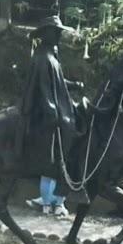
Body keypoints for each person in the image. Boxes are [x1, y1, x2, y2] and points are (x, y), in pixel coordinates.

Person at [15, 14, 88, 204]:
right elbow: (43, 87)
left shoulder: (52, 57)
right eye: (55, 32)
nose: (58, 35)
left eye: (58, 32)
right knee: (65, 127)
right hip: (47, 109)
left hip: (59, 104)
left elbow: (57, 82)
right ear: (46, 34)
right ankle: (50, 196)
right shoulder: (41, 57)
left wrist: (73, 85)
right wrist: (50, 109)